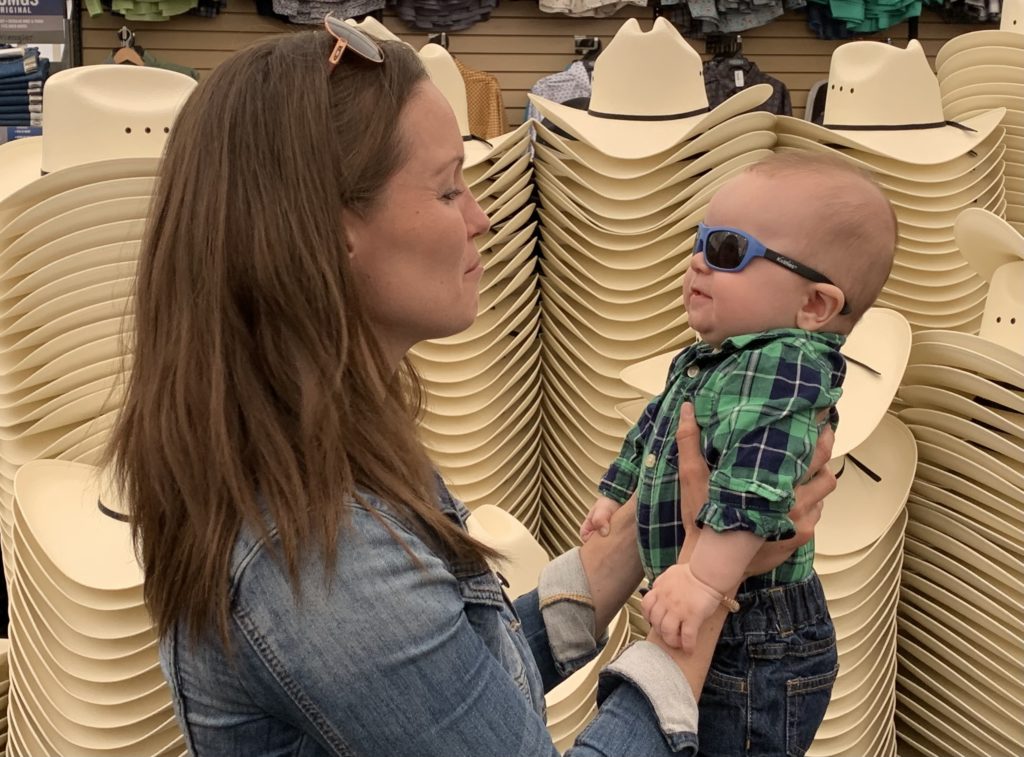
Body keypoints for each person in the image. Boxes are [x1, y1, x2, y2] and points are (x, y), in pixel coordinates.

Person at [108, 18, 837, 757]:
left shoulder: (316, 457)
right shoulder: (326, 557)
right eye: (448, 187)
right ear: (327, 230)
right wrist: (701, 598)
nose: (481, 219)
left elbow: (455, 685)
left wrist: (650, 542)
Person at [581, 153, 897, 756]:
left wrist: (702, 579)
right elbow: (654, 430)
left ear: (814, 306)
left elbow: (753, 482)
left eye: (727, 249)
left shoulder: (785, 364)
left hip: (757, 633)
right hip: (718, 608)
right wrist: (615, 493)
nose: (698, 261)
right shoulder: (717, 359)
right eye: (699, 241)